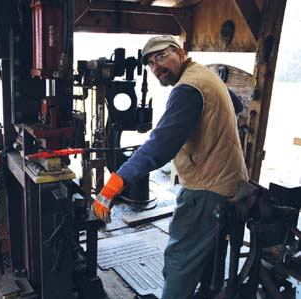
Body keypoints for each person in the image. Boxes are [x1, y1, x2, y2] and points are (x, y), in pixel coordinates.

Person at [93, 35, 249, 299]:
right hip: (233, 184)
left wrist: (116, 182)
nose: (157, 67)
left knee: (180, 260)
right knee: (209, 261)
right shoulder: (205, 75)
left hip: (206, 190)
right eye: (151, 64)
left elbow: (160, 146)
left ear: (180, 51)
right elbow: (237, 105)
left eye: (162, 57)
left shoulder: (187, 89)